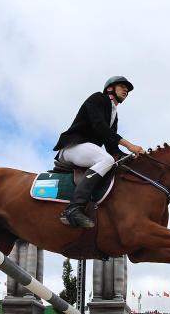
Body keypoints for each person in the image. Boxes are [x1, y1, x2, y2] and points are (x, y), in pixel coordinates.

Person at [53, 76, 146, 228]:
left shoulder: (114, 114)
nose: (126, 90)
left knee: (113, 161)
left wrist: (132, 158)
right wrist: (130, 146)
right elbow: (99, 127)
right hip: (72, 146)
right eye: (122, 86)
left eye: (127, 89)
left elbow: (112, 146)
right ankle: (73, 208)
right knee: (107, 160)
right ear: (110, 88)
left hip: (85, 151)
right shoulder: (98, 98)